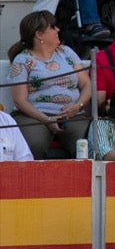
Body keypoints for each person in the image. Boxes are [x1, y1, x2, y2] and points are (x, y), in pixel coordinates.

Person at [6, 11, 91, 159]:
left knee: (88, 144)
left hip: (73, 115)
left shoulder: (67, 53)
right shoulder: (22, 60)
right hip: (34, 116)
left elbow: (86, 84)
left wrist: (78, 106)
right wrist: (47, 120)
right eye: (52, 27)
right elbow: (20, 100)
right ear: (39, 34)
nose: (58, 29)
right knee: (34, 145)